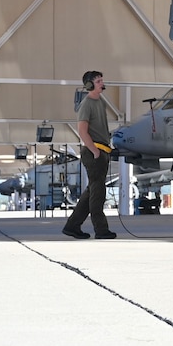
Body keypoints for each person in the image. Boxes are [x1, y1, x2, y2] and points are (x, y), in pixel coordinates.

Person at [64, 70, 117, 240]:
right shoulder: (86, 104)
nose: (102, 83)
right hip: (94, 152)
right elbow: (82, 131)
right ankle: (101, 229)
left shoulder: (100, 102)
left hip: (101, 151)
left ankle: (72, 226)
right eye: (99, 81)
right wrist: (94, 151)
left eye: (102, 80)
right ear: (89, 85)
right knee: (98, 193)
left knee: (92, 192)